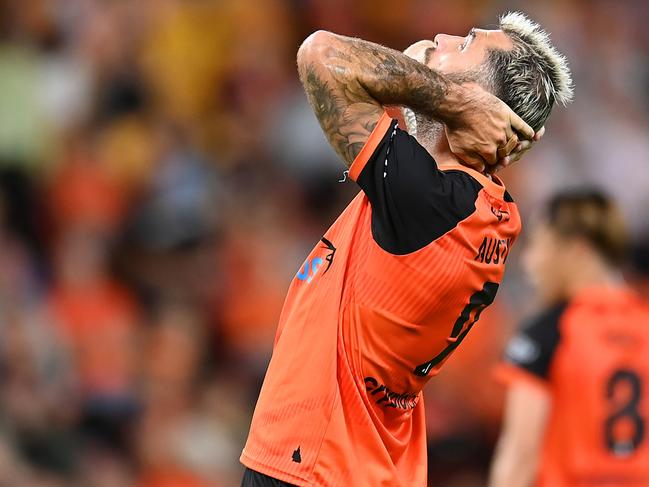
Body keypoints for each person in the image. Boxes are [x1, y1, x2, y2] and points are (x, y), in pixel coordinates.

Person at [241, 12, 573, 487]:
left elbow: (321, 56)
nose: (441, 37)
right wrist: (454, 91)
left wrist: (455, 99)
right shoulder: (469, 203)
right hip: (357, 464)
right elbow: (411, 58)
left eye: (466, 44)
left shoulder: (433, 204)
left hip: (317, 464)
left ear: (486, 104)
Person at [489, 189, 649, 487]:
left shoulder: (549, 332)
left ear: (577, 249)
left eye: (538, 245)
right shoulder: (644, 322)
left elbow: (520, 455)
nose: (530, 264)